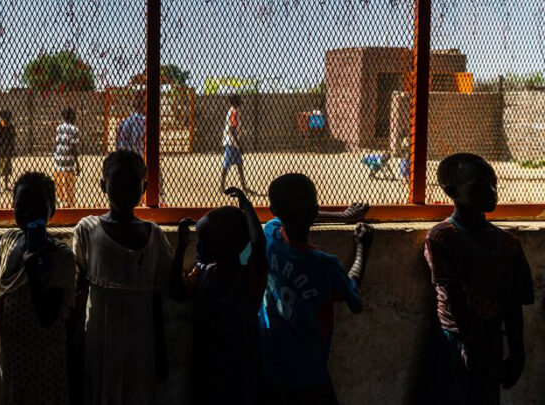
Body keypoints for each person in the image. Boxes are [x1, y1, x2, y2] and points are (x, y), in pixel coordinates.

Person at [420, 153, 533, 404]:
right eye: (480, 186)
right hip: (454, 341)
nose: (492, 191)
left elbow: (514, 303)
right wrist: (469, 345)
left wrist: (517, 352)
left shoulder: (508, 243)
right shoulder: (443, 237)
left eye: (494, 184)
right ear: (452, 192)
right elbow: (453, 295)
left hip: (491, 341)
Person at [73, 151, 183, 404]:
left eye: (133, 185)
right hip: (100, 341)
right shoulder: (87, 231)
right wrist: (75, 343)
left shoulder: (154, 236)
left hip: (140, 343)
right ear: (103, 185)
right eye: (116, 185)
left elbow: (158, 298)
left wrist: (160, 349)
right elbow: (79, 293)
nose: (124, 192)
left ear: (144, 187)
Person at [258, 173, 374, 404]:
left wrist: (343, 216)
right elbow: (355, 300)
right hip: (308, 373)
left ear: (272, 210)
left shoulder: (268, 234)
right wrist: (362, 248)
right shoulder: (324, 265)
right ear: (315, 209)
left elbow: (292, 215)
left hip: (268, 362)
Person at [0, 172, 76, 405]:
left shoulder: (61, 258)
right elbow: (14, 295)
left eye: (38, 207)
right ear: (13, 207)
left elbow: (48, 316)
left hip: (44, 366)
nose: (28, 213)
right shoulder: (9, 243)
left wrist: (33, 270)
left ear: (53, 210)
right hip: (12, 360)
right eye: (22, 206)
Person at [170, 187, 267, 404]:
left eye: (205, 241)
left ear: (226, 245)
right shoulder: (203, 272)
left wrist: (246, 206)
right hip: (209, 367)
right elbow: (176, 292)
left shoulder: (249, 276)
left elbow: (258, 244)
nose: (198, 246)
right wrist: (180, 248)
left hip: (239, 369)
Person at [220, 95, 249, 192]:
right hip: (232, 143)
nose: (241, 101)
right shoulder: (233, 112)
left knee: (239, 164)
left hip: (233, 143)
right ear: (235, 102)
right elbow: (232, 129)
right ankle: (222, 186)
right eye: (239, 100)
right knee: (226, 165)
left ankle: (243, 186)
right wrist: (239, 144)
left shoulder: (233, 111)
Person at [54, 107, 80, 208]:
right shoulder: (74, 129)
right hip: (69, 161)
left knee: (59, 183)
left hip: (59, 160)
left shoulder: (59, 128)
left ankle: (62, 202)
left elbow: (56, 143)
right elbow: (74, 147)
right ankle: (70, 204)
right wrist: (77, 164)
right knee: (69, 185)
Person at [0, 109, 16, 194]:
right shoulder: (0, 127)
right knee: (0, 169)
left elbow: (13, 139)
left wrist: (11, 150)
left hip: (8, 151)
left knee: (7, 169)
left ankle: (6, 185)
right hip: (1, 151)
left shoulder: (11, 127)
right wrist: (1, 150)